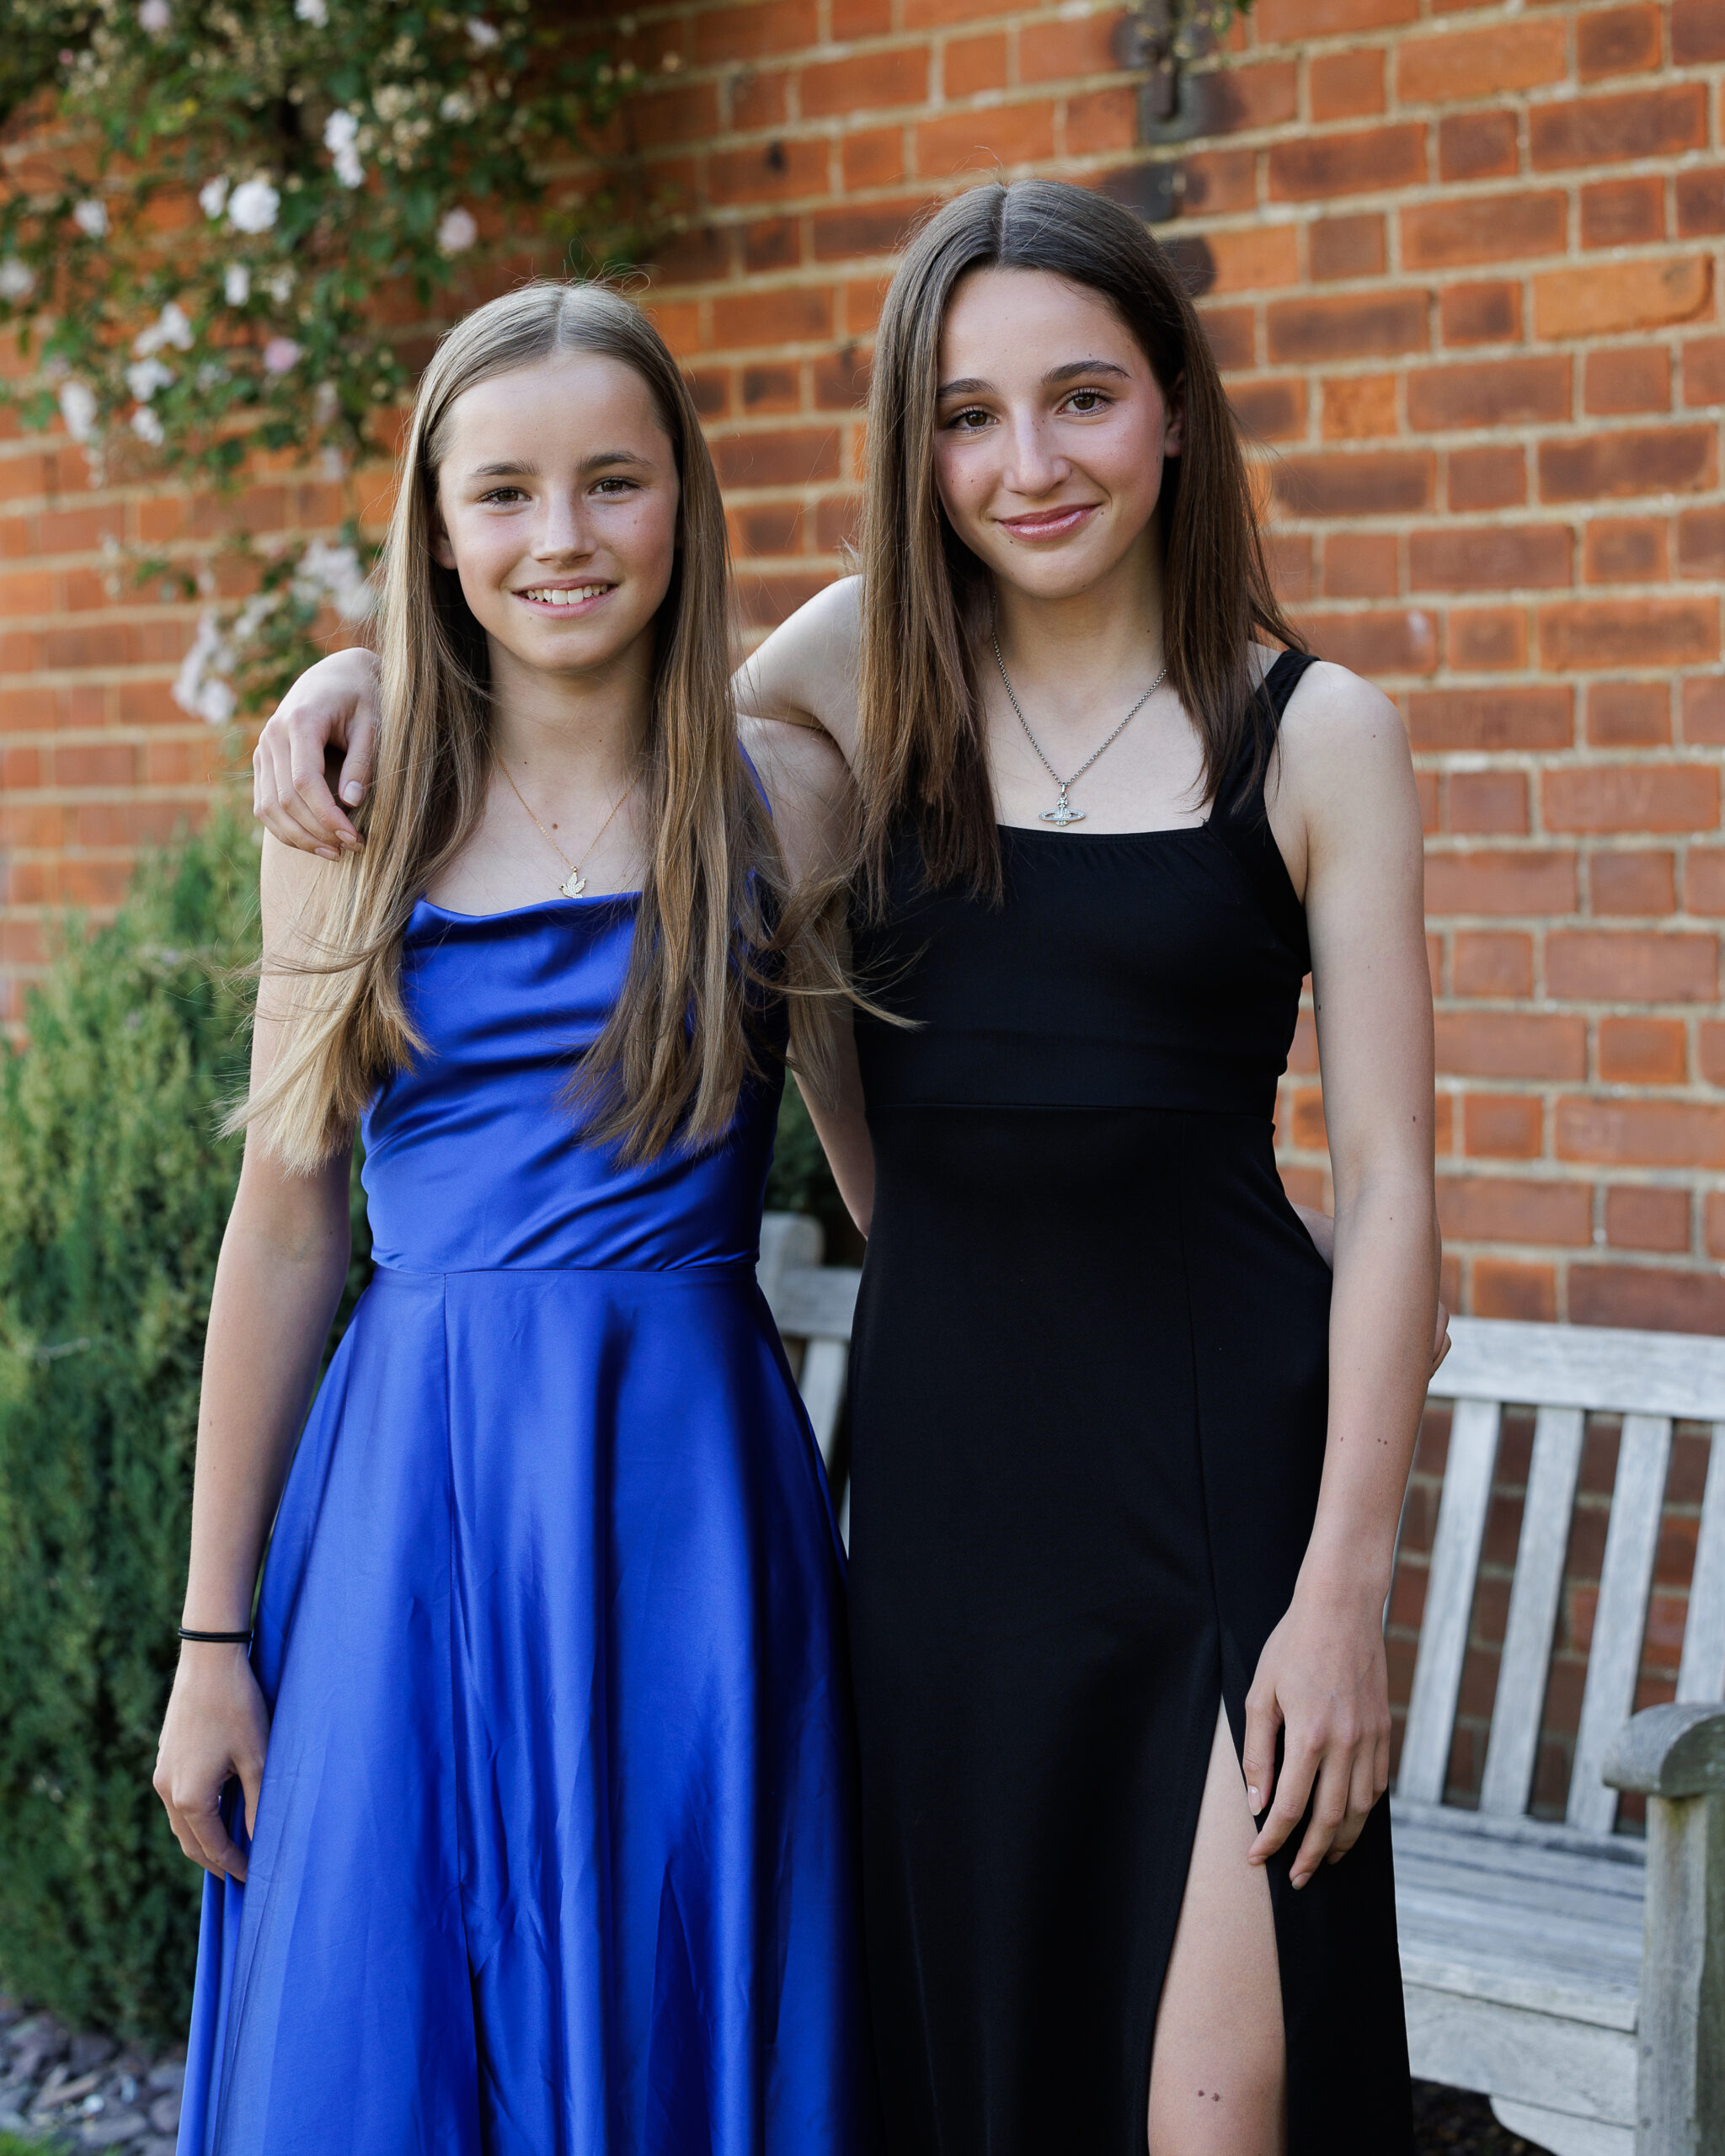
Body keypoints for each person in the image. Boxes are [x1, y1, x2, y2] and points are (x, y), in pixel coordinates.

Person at [252, 182, 1441, 2156]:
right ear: (916, 444)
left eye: (1081, 397)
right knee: (973, 2074)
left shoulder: (1317, 735)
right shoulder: (865, 682)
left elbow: (1392, 1189)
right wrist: (366, 675)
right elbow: (601, 713)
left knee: (1220, 2100)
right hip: (950, 1481)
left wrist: (1346, 1592)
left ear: (1172, 404)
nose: (1028, 462)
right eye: (967, 415)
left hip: (1221, 1470)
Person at [153, 281, 879, 2156]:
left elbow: (947, 589)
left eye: (614, 481)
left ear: (684, 499)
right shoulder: (358, 809)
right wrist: (213, 1640)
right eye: (502, 493)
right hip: (411, 1501)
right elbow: (287, 1219)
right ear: (434, 528)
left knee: (679, 1988)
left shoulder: (785, 800)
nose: (562, 536)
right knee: (396, 2006)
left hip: (692, 1504)